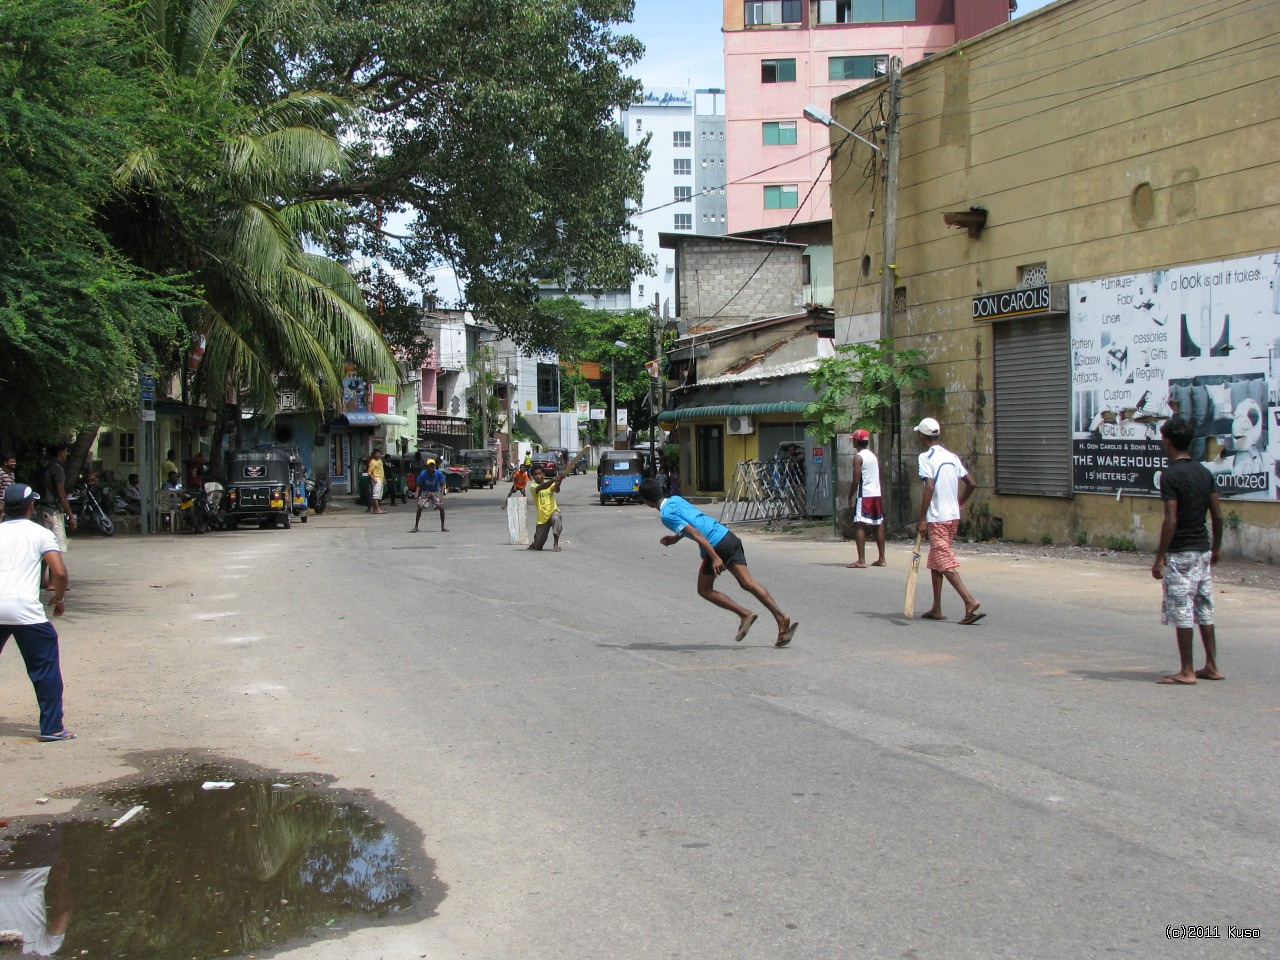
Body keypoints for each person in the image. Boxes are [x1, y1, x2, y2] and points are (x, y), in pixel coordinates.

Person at [639, 477, 798, 647]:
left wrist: (714, 556)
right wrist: (676, 538)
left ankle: (744, 614)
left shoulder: (665, 515)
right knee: (748, 582)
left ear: (647, 502)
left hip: (715, 545)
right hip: (727, 536)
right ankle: (781, 618)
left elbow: (695, 532)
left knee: (704, 589)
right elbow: (695, 520)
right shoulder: (675, 499)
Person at [1151, 416, 1224, 685]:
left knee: (1182, 609)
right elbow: (1217, 515)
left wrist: (1160, 557)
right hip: (1202, 550)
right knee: (1204, 607)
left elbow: (1171, 519)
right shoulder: (1204, 473)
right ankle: (1213, 666)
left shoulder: (1171, 475)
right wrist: (1215, 548)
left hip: (1181, 552)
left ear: (1167, 441)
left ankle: (1187, 670)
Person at [0, 484, 74, 742]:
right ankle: (52, 727)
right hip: (25, 611)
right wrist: (59, 598)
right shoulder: (41, 533)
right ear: (31, 506)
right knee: (45, 668)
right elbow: (60, 572)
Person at [914, 417, 983, 624]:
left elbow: (929, 486)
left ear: (922, 436)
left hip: (938, 517)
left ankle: (969, 601)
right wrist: (959, 503)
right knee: (936, 560)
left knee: (943, 560)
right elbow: (971, 483)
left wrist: (922, 519)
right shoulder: (952, 456)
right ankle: (936, 607)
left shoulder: (925, 458)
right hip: (953, 517)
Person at [848, 429, 886, 568]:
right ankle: (882, 558)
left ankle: (861, 560)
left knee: (859, 523)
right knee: (878, 523)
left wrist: (850, 496)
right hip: (876, 493)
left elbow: (856, 479)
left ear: (856, 441)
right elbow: (880, 473)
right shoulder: (872, 456)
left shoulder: (858, 457)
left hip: (864, 495)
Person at [36, 445, 76, 551]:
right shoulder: (58, 468)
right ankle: (55, 568)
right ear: (60, 453)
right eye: (65, 451)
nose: (66, 454)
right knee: (56, 548)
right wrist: (71, 516)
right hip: (52, 510)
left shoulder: (42, 466)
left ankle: (44, 568)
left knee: (44, 547)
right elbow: (61, 494)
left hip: (40, 508)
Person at [528, 464, 566, 551]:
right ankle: (535, 542)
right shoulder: (533, 487)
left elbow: (556, 490)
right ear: (533, 476)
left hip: (552, 511)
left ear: (543, 474)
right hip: (542, 517)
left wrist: (558, 483)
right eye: (535, 474)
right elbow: (541, 487)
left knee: (556, 518)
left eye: (540, 473)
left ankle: (555, 544)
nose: (538, 476)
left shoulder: (550, 485)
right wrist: (553, 479)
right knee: (538, 546)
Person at [412, 459, 448, 532]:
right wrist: (416, 493)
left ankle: (443, 526)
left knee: (441, 507)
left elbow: (443, 484)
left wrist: (441, 494)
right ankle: (416, 526)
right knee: (420, 506)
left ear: (435, 466)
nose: (431, 467)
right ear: (427, 466)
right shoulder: (423, 474)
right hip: (426, 491)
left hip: (435, 491)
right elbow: (418, 485)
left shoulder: (438, 473)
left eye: (433, 465)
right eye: (430, 465)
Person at [367, 449, 386, 514]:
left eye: (379, 454)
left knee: (379, 496)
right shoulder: (373, 462)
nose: (378, 455)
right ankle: (377, 509)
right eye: (376, 454)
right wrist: (374, 479)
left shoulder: (380, 461)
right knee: (376, 495)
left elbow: (382, 471)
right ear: (374, 454)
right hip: (376, 480)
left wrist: (384, 479)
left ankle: (375, 510)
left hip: (381, 479)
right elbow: (369, 472)